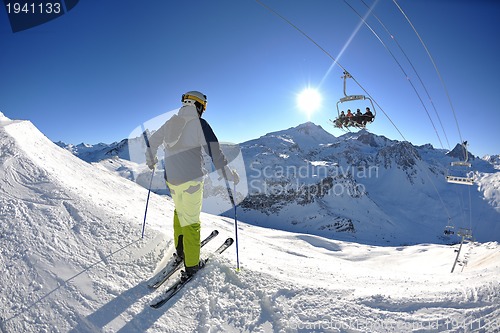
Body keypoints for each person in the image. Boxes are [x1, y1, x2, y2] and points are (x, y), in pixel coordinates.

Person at [145, 90, 239, 279]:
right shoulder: (200, 124)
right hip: (192, 181)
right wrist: (228, 173)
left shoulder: (170, 122)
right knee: (192, 223)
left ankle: (181, 251)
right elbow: (215, 151)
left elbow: (152, 142)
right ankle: (192, 265)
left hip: (171, 181)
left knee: (180, 213)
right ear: (199, 106)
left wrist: (151, 159)